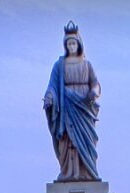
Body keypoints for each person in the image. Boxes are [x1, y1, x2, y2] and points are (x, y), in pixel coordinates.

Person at [43, 22, 101, 181]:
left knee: (85, 141)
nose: (71, 46)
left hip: (83, 107)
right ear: (65, 45)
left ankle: (86, 172)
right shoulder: (59, 65)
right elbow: (52, 86)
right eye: (68, 43)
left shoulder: (87, 65)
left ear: (79, 44)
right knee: (68, 142)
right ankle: (68, 172)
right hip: (66, 107)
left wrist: (93, 93)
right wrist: (49, 97)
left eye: (74, 43)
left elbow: (95, 84)